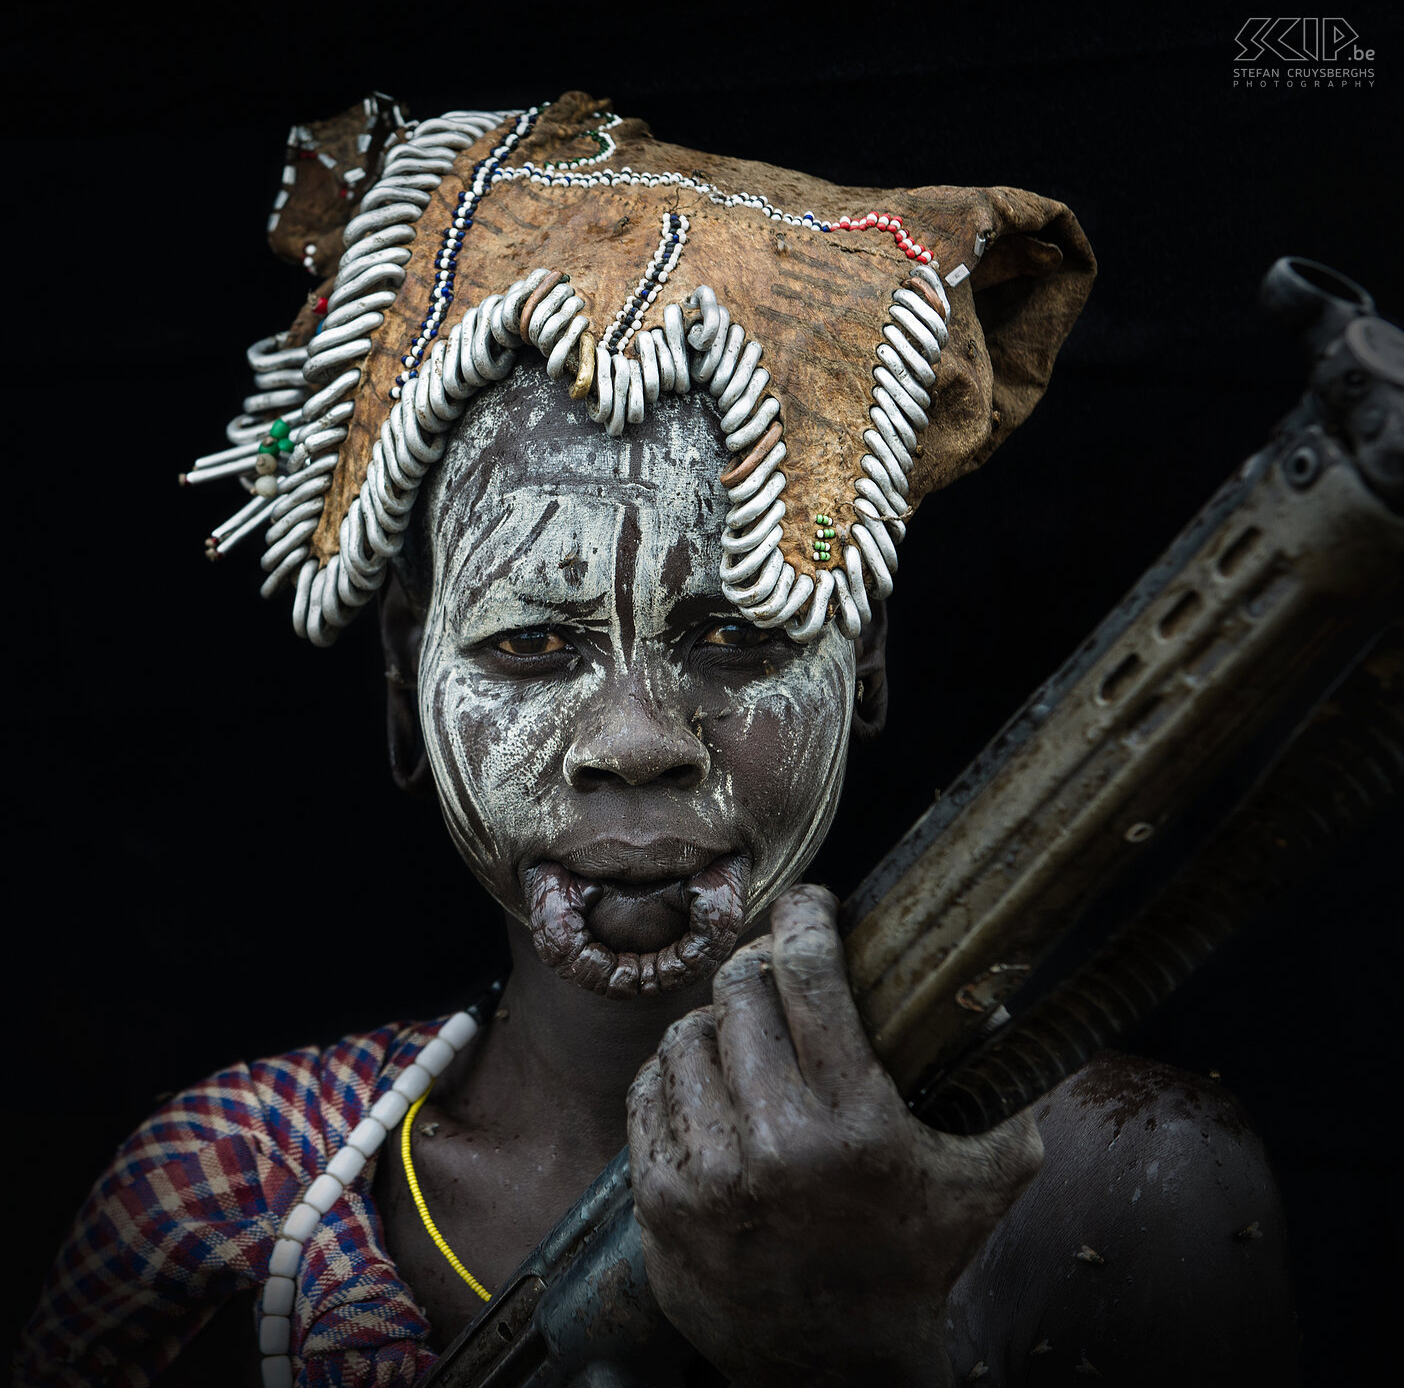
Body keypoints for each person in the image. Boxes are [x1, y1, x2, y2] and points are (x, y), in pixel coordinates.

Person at [17, 92, 1298, 1387]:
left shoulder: (1124, 1179)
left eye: (736, 638)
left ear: (860, 665)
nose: (637, 741)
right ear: (408, 687)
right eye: (533, 644)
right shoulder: (235, 1195)